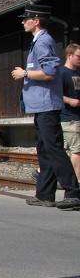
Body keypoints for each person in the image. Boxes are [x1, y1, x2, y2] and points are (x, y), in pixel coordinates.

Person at [12, 4, 80, 210]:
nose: (23, 22)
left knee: (54, 148)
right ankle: (45, 194)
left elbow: (50, 72)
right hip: (40, 105)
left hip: (46, 104)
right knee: (45, 149)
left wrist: (24, 73)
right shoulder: (38, 41)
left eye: (26, 18)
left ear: (37, 20)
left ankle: (74, 192)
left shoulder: (44, 42)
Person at [59, 43, 80, 181]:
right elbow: (55, 94)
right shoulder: (62, 73)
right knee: (77, 150)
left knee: (63, 150)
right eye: (78, 56)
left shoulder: (78, 73)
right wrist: (69, 100)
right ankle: (77, 181)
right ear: (69, 55)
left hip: (76, 117)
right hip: (69, 117)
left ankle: (41, 170)